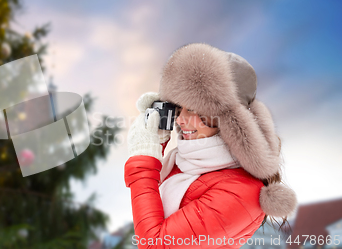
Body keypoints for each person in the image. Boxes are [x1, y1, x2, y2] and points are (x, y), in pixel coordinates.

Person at [125, 43, 297, 248]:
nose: (180, 120)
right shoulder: (184, 162)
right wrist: (157, 142)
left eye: (195, 109)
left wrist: (144, 159)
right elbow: (146, 209)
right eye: (178, 107)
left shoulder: (242, 194)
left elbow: (155, 244)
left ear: (229, 121)